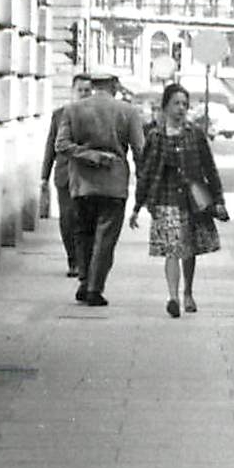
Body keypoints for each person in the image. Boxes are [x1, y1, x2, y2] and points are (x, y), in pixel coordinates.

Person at [130, 83, 227, 317]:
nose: (181, 108)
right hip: (165, 199)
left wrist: (219, 199)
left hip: (192, 201)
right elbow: (146, 172)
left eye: (185, 104)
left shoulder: (195, 135)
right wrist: (137, 206)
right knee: (172, 249)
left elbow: (210, 169)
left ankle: (188, 292)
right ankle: (173, 297)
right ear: (165, 107)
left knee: (188, 249)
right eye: (176, 103)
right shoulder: (155, 136)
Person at [55, 68, 147, 307]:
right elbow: (140, 152)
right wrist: (143, 188)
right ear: (114, 85)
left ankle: (84, 281)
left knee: (83, 233)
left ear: (93, 84)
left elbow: (61, 145)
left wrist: (88, 155)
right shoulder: (128, 112)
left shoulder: (72, 110)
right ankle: (95, 287)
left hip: (81, 184)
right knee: (105, 238)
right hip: (114, 184)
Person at [40, 73, 94, 278]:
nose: (83, 94)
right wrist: (43, 177)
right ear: (73, 92)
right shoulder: (59, 115)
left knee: (85, 219)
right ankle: (73, 260)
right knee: (68, 219)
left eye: (87, 90)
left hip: (88, 176)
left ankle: (84, 262)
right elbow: (50, 146)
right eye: (80, 90)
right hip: (64, 175)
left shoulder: (95, 115)